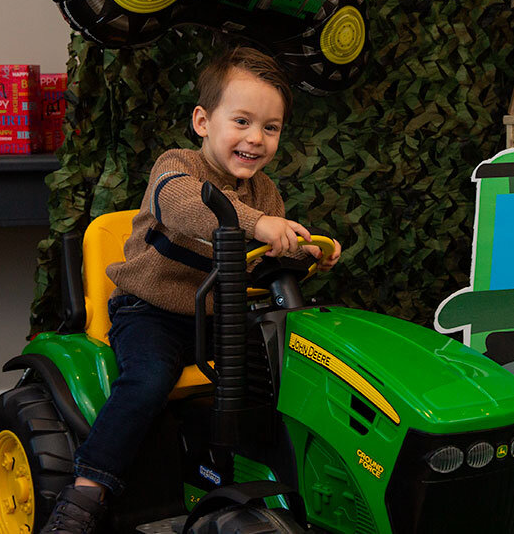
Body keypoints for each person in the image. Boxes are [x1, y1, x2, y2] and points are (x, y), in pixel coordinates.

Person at [40, 47, 341, 534]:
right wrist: (260, 225)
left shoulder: (265, 192)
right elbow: (185, 210)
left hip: (220, 318)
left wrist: (305, 254)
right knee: (149, 381)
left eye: (270, 127)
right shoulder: (176, 169)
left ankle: (276, 479)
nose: (255, 139)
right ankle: (87, 491)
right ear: (203, 120)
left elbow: (266, 265)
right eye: (241, 121)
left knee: (282, 370)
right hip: (151, 311)